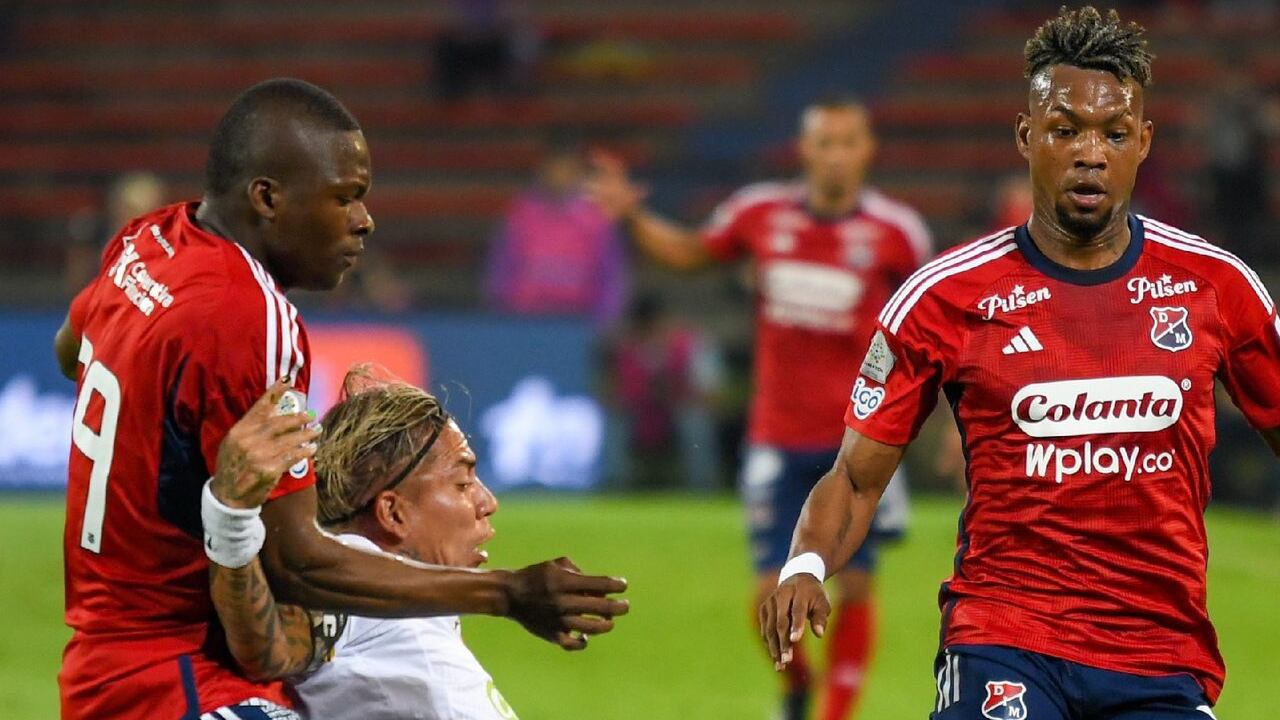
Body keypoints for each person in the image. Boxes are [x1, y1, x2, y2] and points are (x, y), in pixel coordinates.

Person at [760, 7, 1280, 719]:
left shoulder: (1216, 287)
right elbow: (854, 477)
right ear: (1026, 135)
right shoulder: (946, 297)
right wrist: (806, 563)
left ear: (1144, 143)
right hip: (1003, 640)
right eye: (1065, 130)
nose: (1090, 152)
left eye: (1114, 133)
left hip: (1162, 654)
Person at [54, 78, 627, 720]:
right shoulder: (249, 313)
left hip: (106, 655)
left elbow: (70, 348)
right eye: (344, 198)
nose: (364, 219)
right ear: (268, 198)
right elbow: (300, 563)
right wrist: (508, 592)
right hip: (177, 673)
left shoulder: (151, 239)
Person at [591, 98, 930, 719]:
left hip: (860, 440)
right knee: (766, 593)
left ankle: (833, 715)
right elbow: (693, 253)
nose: (835, 155)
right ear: (805, 151)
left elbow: (930, 321)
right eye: (824, 142)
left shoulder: (896, 232)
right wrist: (634, 218)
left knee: (854, 583)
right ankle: (798, 682)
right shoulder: (759, 213)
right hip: (777, 435)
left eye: (847, 142)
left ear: (867, 151)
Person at [203, 367, 554, 719]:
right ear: (392, 512)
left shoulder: (417, 606)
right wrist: (230, 514)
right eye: (462, 484)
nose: (488, 502)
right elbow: (267, 647)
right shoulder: (352, 583)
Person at [485, 142, 628, 328]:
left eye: (566, 170)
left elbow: (611, 274)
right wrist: (500, 312)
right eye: (554, 169)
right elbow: (501, 265)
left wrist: (604, 321)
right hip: (523, 318)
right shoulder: (521, 216)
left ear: (578, 174)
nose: (559, 176)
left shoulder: (597, 220)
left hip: (578, 319)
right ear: (543, 171)